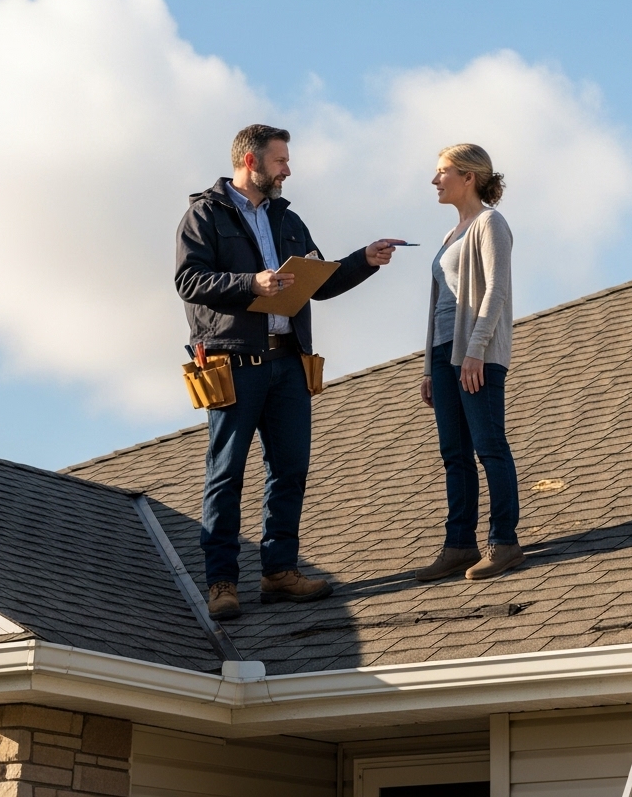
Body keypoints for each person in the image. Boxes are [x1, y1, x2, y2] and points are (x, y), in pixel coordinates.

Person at [175, 124, 402, 621]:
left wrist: (363, 260)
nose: (288, 169)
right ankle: (222, 583)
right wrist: (249, 282)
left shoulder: (289, 218)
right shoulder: (204, 215)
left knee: (290, 471)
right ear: (251, 162)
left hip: (289, 362)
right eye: (281, 161)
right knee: (226, 475)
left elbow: (319, 281)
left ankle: (279, 573)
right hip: (233, 363)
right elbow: (189, 280)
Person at [415, 143, 524, 582]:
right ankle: (459, 544)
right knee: (453, 454)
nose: (435, 179)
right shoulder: (449, 236)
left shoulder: (489, 223)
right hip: (444, 356)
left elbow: (496, 289)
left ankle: (504, 542)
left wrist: (476, 349)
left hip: (475, 355)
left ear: (469, 177)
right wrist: (428, 366)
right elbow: (437, 305)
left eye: (442, 171)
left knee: (489, 447)